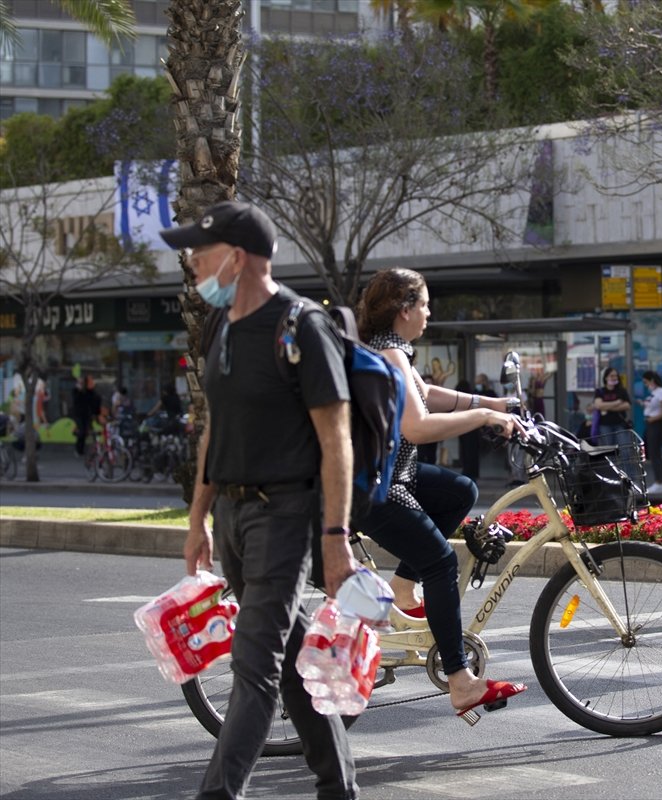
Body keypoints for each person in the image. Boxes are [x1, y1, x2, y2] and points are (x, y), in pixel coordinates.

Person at [161, 200, 360, 799]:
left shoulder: (301, 326)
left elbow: (336, 441)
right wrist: (197, 519)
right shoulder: (221, 329)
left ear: (238, 257)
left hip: (285, 512)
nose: (192, 261)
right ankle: (339, 787)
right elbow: (214, 431)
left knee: (254, 671)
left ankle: (217, 794)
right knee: (297, 658)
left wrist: (335, 538)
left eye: (202, 250)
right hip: (233, 515)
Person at [354, 267, 526, 720]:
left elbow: (425, 393)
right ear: (403, 309)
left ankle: (402, 586)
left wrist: (490, 403)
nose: (429, 313)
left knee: (459, 490)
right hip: (377, 485)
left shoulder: (394, 351)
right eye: (425, 304)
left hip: (396, 473)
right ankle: (460, 681)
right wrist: (484, 420)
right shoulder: (388, 354)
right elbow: (417, 424)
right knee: (443, 562)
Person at [641, 371, 662, 493]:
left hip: (656, 424)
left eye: (646, 382)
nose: (646, 385)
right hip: (650, 423)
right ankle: (658, 481)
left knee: (655, 453)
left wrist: (653, 418)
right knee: (652, 453)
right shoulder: (653, 393)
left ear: (652, 380)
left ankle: (660, 481)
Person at [590, 367, 631, 441]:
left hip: (620, 423)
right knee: (608, 448)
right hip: (605, 425)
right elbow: (598, 405)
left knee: (624, 447)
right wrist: (617, 402)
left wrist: (605, 407)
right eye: (612, 376)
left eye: (616, 376)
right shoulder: (600, 391)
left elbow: (627, 406)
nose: (614, 378)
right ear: (606, 377)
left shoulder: (621, 391)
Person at [71, 375, 100, 456]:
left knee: (85, 431)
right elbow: (75, 400)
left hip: (86, 414)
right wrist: (79, 390)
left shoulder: (88, 391)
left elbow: (93, 399)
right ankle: (78, 449)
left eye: (82, 383)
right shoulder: (75, 391)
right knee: (82, 431)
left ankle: (82, 449)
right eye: (80, 383)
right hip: (78, 414)